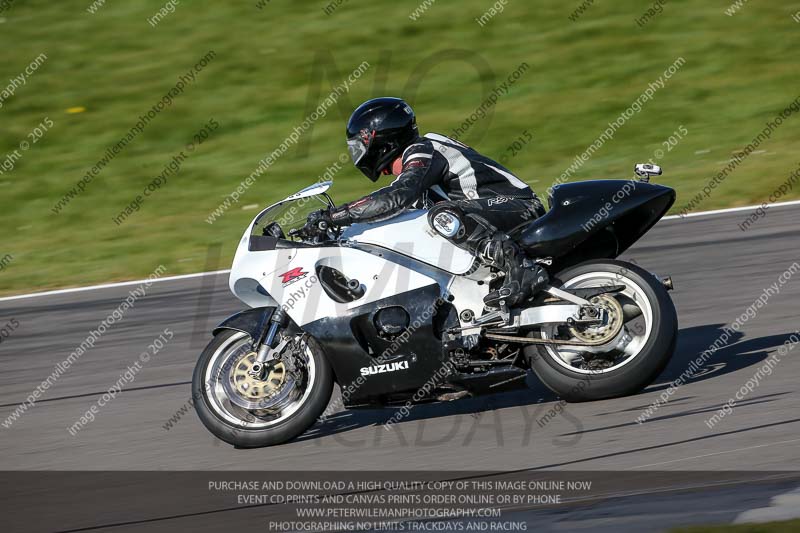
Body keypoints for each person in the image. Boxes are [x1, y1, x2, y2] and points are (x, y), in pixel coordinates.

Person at [309, 96, 548, 310]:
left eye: (359, 146)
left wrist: (336, 216)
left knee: (443, 215)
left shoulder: (424, 148)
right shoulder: (418, 171)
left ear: (381, 139)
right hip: (490, 214)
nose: (358, 154)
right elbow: (396, 212)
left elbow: (396, 197)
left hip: (516, 205)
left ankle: (522, 269)